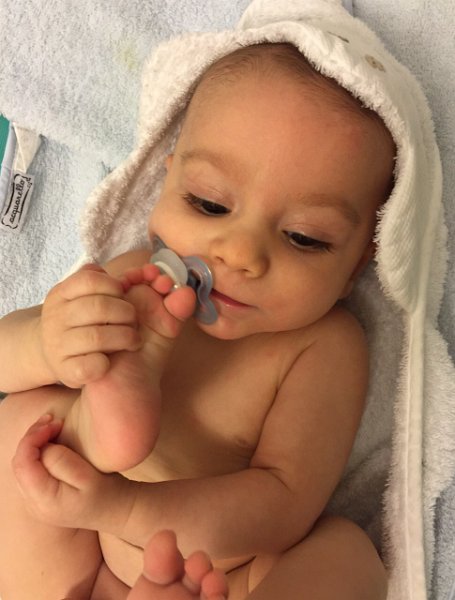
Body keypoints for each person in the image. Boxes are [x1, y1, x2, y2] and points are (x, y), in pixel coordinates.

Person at [0, 42, 395, 599]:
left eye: (303, 238)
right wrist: (44, 344)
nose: (239, 254)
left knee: (346, 555)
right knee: (28, 418)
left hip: (229, 578)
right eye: (209, 204)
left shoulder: (324, 345)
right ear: (165, 185)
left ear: (357, 264)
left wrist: (126, 507)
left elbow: (284, 504)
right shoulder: (135, 280)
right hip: (82, 559)